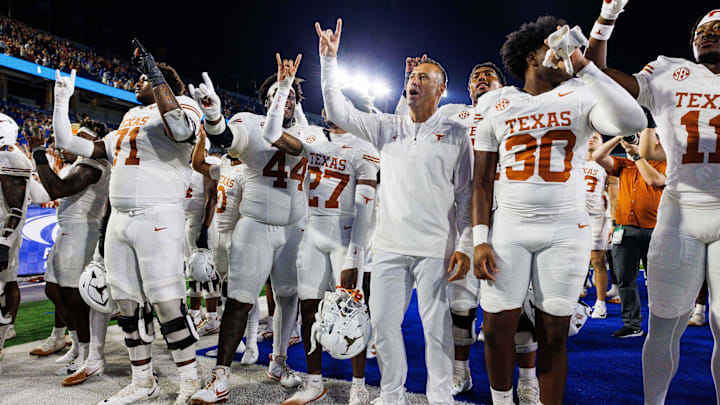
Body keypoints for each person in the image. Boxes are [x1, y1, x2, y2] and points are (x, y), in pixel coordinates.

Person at [471, 15, 646, 405]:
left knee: (554, 335)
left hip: (567, 229)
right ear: (533, 55)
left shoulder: (581, 94)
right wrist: (479, 239)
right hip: (509, 226)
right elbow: (481, 181)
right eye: (556, 45)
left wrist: (585, 67)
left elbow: (635, 119)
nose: (565, 51)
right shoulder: (497, 103)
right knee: (498, 330)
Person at [318, 19, 473, 404]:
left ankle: (440, 397)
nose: (415, 80)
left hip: (436, 247)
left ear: (440, 89)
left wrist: (466, 245)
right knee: (385, 327)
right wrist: (329, 61)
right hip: (388, 247)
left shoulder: (456, 134)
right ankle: (391, 394)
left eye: (424, 76)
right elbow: (337, 109)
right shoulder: (388, 126)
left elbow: (467, 198)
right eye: (413, 75)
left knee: (436, 329)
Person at [52, 38, 204, 405]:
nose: (136, 82)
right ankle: (142, 380)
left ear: (160, 82)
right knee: (126, 304)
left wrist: (156, 73)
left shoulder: (184, 104)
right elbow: (69, 142)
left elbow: (181, 130)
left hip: (158, 213)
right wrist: (61, 100)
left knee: (167, 302)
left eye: (143, 78)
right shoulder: (126, 119)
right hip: (120, 218)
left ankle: (190, 380)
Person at [585, 3, 720, 401]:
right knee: (663, 325)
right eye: (700, 30)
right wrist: (606, 16)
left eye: (716, 28)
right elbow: (597, 75)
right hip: (680, 211)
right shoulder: (670, 72)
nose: (705, 33)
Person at [188, 55, 311, 404]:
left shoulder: (305, 131)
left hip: (293, 230)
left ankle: (279, 363)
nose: (285, 100)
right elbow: (227, 139)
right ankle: (220, 377)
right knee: (239, 301)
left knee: (288, 298)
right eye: (278, 93)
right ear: (266, 98)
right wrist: (213, 116)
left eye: (290, 96)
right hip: (255, 225)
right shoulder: (251, 122)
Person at [268, 82, 379, 403]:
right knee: (309, 311)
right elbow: (271, 134)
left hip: (346, 238)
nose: (329, 108)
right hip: (313, 234)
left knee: (354, 312)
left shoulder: (364, 145)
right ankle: (314, 381)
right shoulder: (312, 136)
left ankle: (359, 383)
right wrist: (283, 90)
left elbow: (365, 207)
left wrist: (354, 257)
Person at [26, 120, 111, 378]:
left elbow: (58, 189)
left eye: (79, 137)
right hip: (66, 230)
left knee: (75, 296)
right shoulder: (75, 166)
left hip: (82, 231)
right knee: (53, 289)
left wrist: (40, 154)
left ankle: (88, 352)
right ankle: (75, 345)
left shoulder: (94, 165)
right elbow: (43, 195)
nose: (67, 143)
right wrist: (27, 169)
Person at [190, 128, 259, 365]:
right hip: (217, 234)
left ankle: (251, 344)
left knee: (244, 293)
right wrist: (201, 140)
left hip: (238, 236)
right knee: (219, 290)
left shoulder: (252, 168)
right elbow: (198, 165)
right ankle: (232, 338)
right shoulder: (225, 165)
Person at [592, 131, 666, 339]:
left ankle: (662, 327)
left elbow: (654, 180)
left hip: (657, 230)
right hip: (625, 229)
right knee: (625, 279)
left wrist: (637, 156)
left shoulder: (667, 161)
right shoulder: (624, 164)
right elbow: (598, 156)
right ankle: (632, 324)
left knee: (659, 282)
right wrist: (620, 137)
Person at [0, 113, 32, 374]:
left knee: (5, 284)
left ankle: (4, 332)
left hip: (3, 233)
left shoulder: (11, 158)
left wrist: (3, 242)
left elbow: (16, 209)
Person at [184, 140, 220, 335]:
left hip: (202, 219)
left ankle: (213, 317)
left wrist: (205, 228)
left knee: (206, 270)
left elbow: (211, 197)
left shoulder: (208, 161)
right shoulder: (185, 164)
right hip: (188, 220)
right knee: (193, 271)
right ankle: (195, 314)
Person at [584, 133, 612, 319]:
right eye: (590, 136)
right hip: (575, 216)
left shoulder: (605, 164)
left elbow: (612, 192)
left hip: (596, 217)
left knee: (598, 261)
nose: (592, 139)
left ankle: (600, 303)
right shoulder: (573, 160)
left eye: (597, 137)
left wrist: (611, 219)